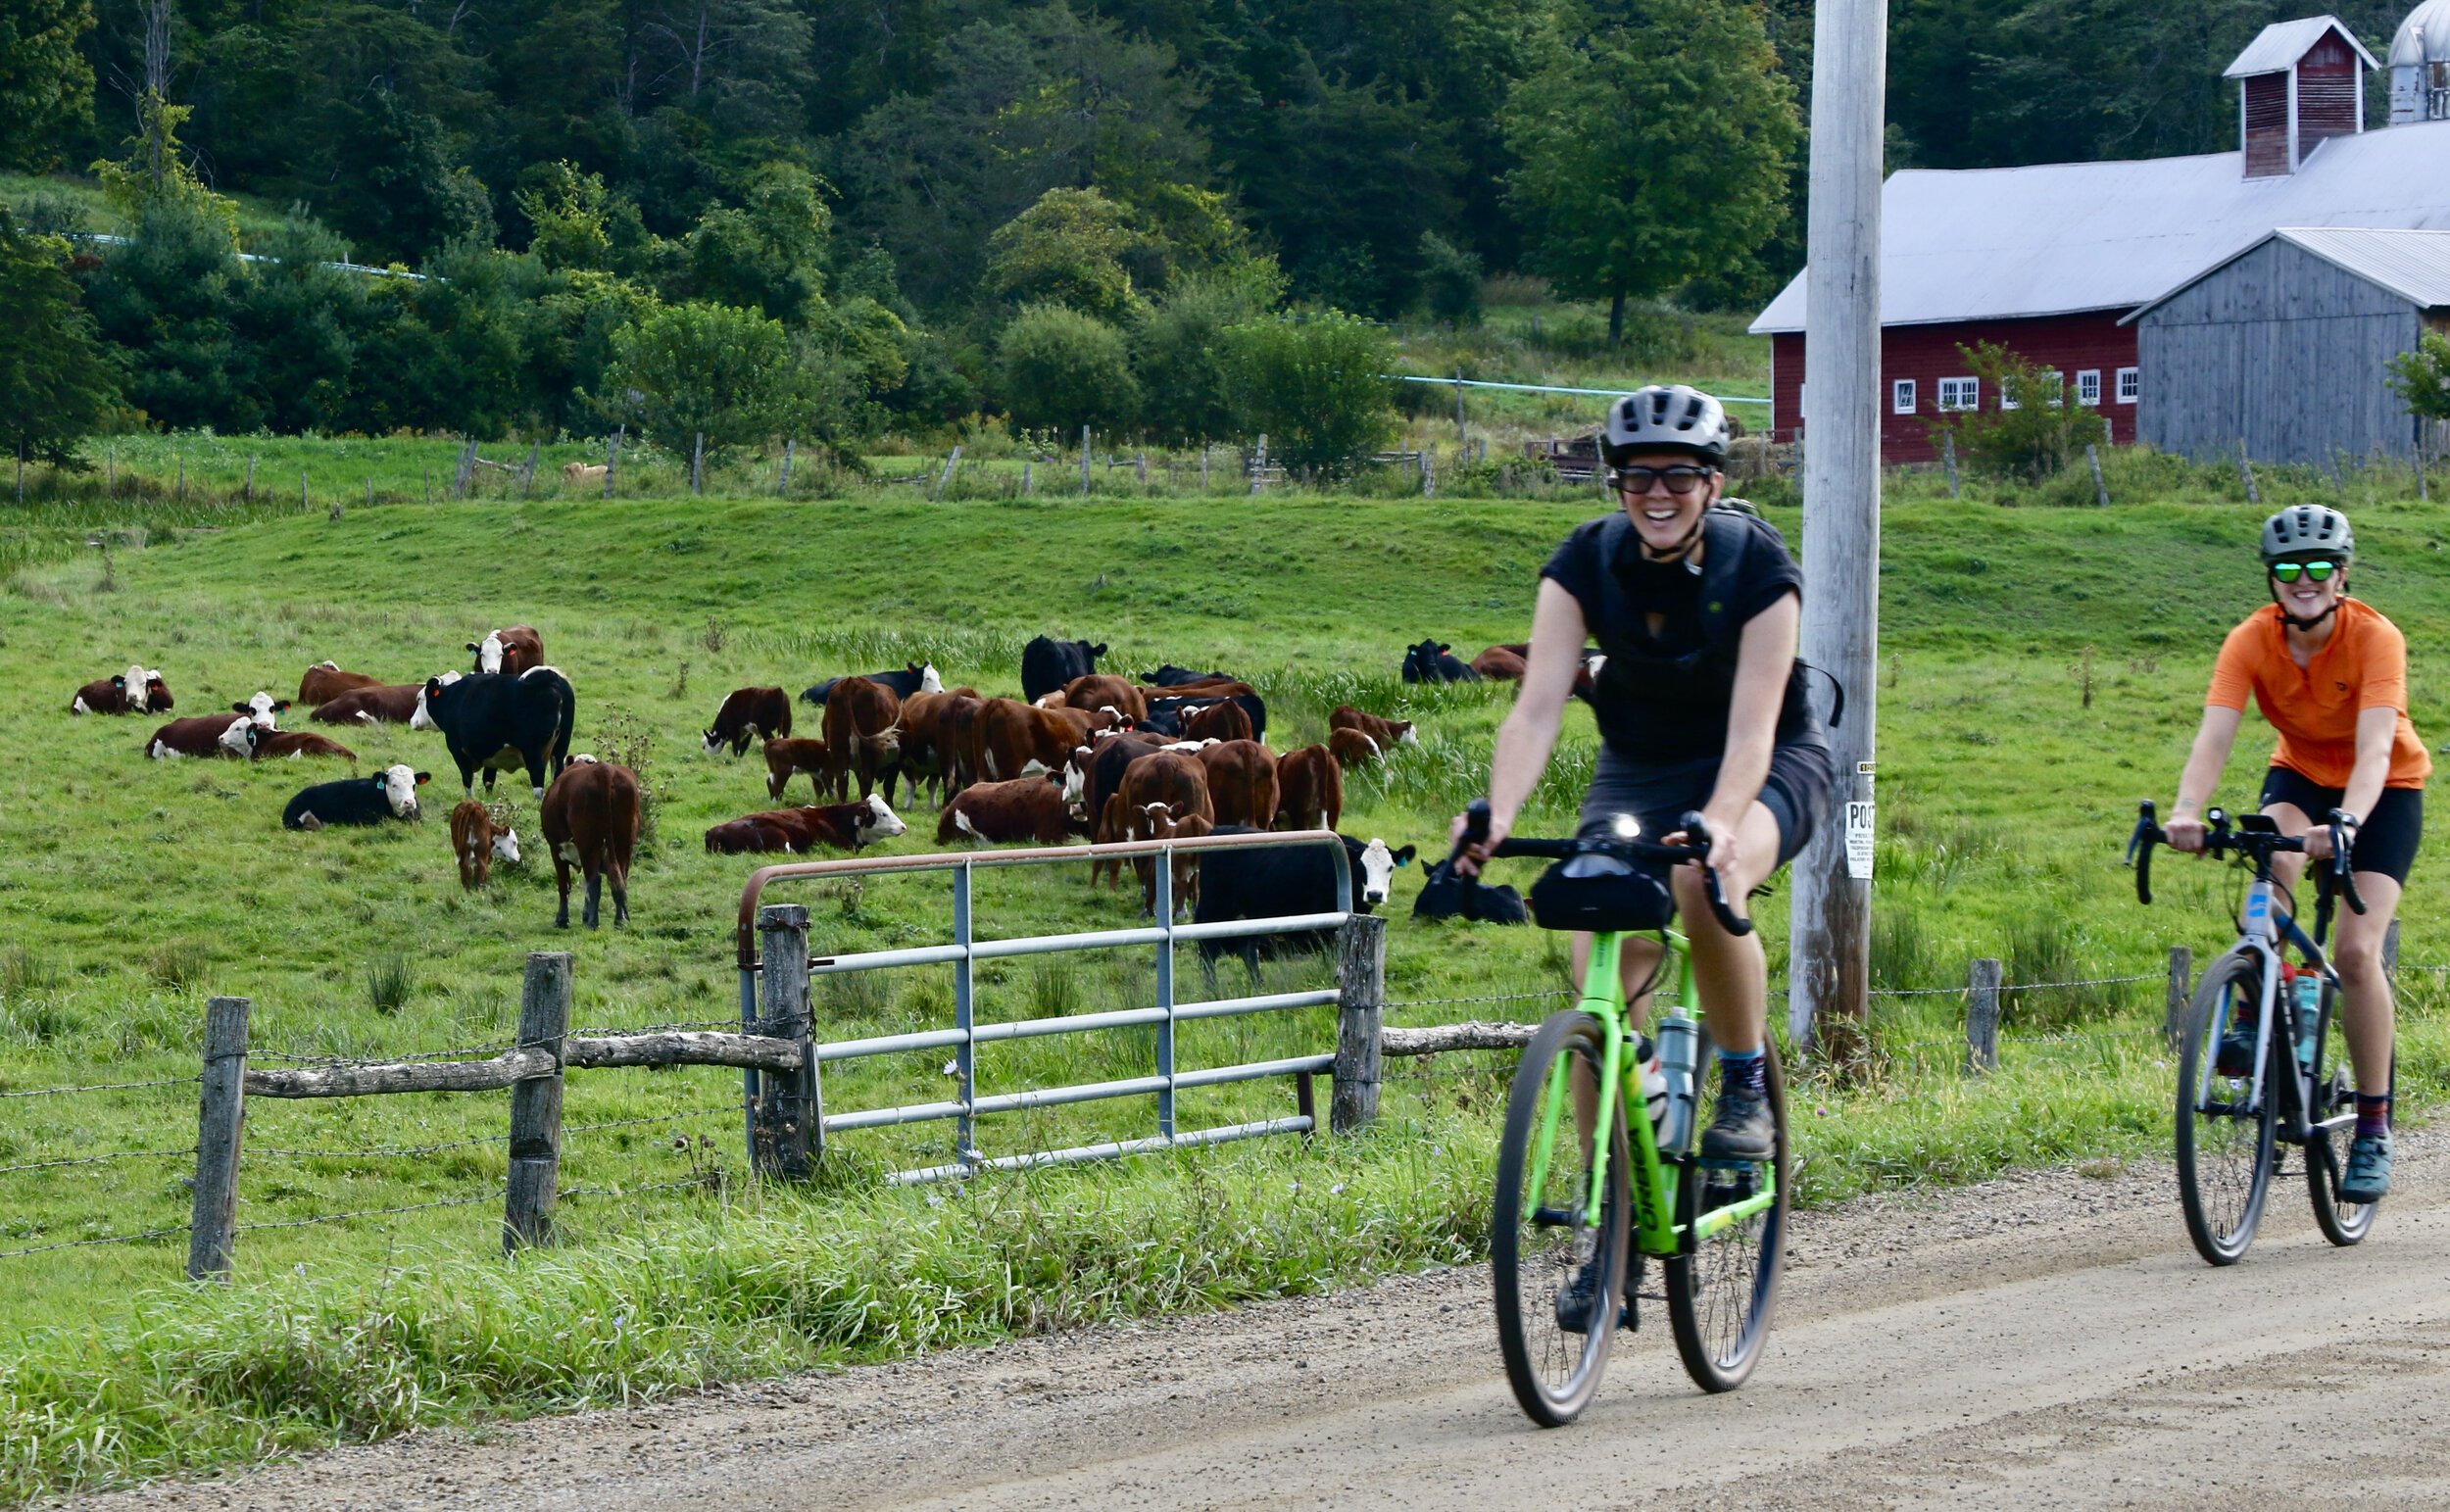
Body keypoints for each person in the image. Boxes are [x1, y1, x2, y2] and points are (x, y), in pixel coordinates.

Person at [1452, 384, 1833, 1164]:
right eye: (1638, 476)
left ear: (1712, 484)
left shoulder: (1758, 566)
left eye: (1679, 475)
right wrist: (1498, 811)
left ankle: (1744, 1085)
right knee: (1602, 978)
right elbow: (1535, 709)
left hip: (1769, 762)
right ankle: (1609, 1220)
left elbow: (1755, 726)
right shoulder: (1587, 560)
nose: (1657, 493)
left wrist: (1722, 821)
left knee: (1701, 880)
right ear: (1617, 482)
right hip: (1640, 762)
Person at [2163, 505, 2425, 1203]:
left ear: (2341, 576)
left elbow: (2374, 750)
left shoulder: (2376, 638)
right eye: (2288, 569)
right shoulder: (2251, 639)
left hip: (2385, 787)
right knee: (2269, 858)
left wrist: (2345, 823)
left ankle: (2373, 1125)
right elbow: (2214, 736)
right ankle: (2253, 1002)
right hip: (2301, 774)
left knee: (2357, 951)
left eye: (2317, 568)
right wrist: (2187, 811)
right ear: (2272, 579)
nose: (2302, 581)